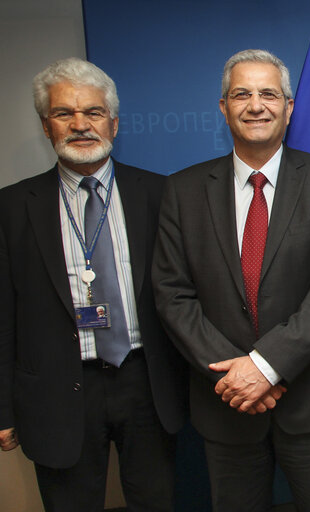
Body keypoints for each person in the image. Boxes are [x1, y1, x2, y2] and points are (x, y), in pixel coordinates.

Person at [151, 49, 310, 512]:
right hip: (226, 403)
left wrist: (265, 366)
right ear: (223, 107)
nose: (256, 105)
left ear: (289, 107)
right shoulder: (183, 190)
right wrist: (235, 374)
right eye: (241, 94)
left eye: (269, 93)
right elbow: (172, 293)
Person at [0, 57, 187, 511]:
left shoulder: (164, 195)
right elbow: (2, 314)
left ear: (114, 123)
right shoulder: (10, 207)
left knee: (156, 501)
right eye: (65, 113)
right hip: (57, 390)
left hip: (148, 383)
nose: (80, 125)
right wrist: (3, 407)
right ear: (47, 126)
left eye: (94, 113)